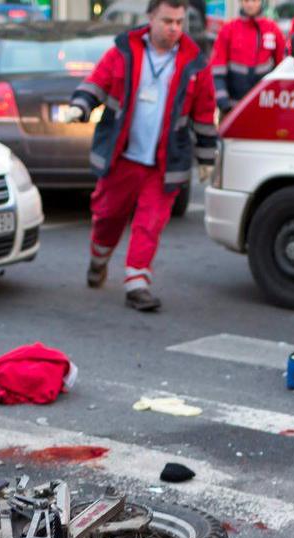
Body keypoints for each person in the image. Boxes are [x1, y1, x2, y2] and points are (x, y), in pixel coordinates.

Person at [66, 0, 217, 312]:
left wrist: (206, 158)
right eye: (167, 21)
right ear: (150, 18)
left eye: (179, 21)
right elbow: (98, 80)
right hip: (123, 156)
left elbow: (203, 112)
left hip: (164, 162)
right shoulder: (124, 51)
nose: (175, 28)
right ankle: (99, 258)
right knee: (108, 216)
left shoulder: (194, 63)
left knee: (150, 223)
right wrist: (80, 105)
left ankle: (137, 282)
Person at [209, 0, 285, 115]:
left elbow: (283, 69)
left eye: (254, 0)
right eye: (246, 0)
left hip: (264, 110)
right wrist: (223, 103)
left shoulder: (272, 29)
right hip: (232, 109)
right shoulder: (228, 29)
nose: (250, 4)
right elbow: (217, 71)